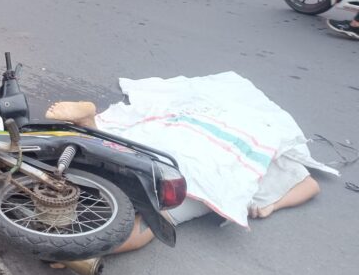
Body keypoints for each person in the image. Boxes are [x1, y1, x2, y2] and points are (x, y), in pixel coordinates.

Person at [44, 101, 323, 255]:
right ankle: (83, 251)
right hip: (206, 172)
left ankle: (93, 130)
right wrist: (273, 205)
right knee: (157, 218)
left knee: (139, 155)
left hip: (185, 149)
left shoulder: (247, 132)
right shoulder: (271, 153)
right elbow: (311, 186)